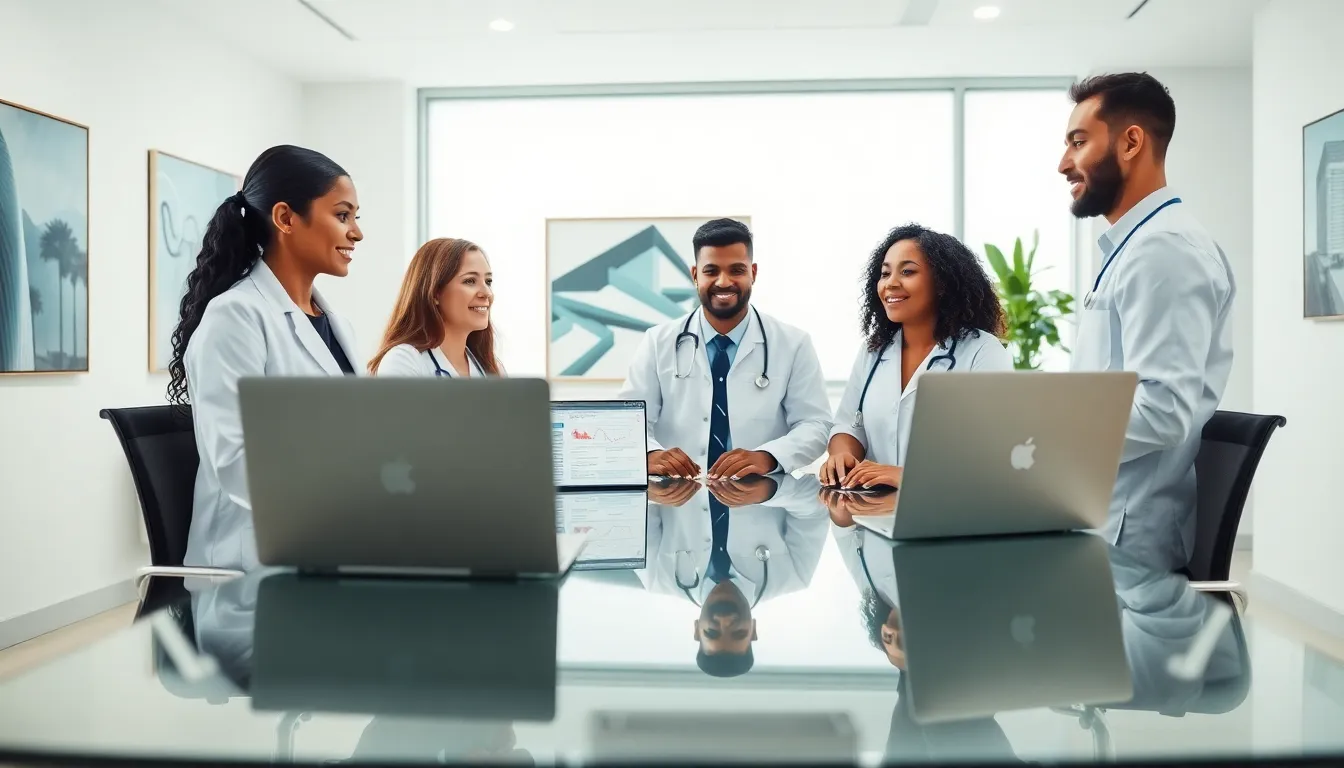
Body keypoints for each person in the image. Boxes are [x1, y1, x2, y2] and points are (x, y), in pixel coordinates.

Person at [1059, 72, 1235, 572]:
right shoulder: (1137, 246)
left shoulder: (1164, 251)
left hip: (1126, 546)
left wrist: (1046, 434)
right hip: (1099, 523)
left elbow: (1162, 409)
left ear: (1131, 141)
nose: (1063, 164)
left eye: (1078, 141)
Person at [168, 145, 362, 571]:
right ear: (286, 218)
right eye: (342, 215)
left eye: (355, 218)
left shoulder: (337, 325)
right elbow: (236, 463)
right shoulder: (234, 317)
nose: (356, 233)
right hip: (252, 566)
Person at [619, 217, 831, 481]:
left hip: (761, 502)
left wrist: (767, 457)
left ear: (753, 273)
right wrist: (650, 454)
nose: (723, 281)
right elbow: (629, 422)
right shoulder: (657, 342)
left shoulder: (793, 343)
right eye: (711, 271)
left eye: (736, 270)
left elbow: (816, 425)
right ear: (695, 275)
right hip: (679, 501)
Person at [822, 224, 1012, 490]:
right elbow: (849, 424)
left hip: (947, 509)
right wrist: (842, 455)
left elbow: (994, 450)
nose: (891, 283)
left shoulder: (982, 351)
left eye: (908, 271)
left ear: (942, 283)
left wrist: (906, 476)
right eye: (885, 273)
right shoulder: (874, 350)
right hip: (875, 510)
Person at [640, 474, 829, 678]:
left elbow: (633, 507)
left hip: (675, 454)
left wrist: (659, 489)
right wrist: (770, 490)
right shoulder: (794, 575)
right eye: (738, 633)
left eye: (712, 632)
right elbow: (816, 503)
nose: (725, 620)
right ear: (754, 631)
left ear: (696, 630)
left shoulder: (656, 577)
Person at [367, 237, 503, 377]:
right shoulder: (404, 361)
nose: (487, 293)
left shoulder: (492, 368)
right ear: (435, 293)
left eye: (488, 281)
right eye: (470, 281)